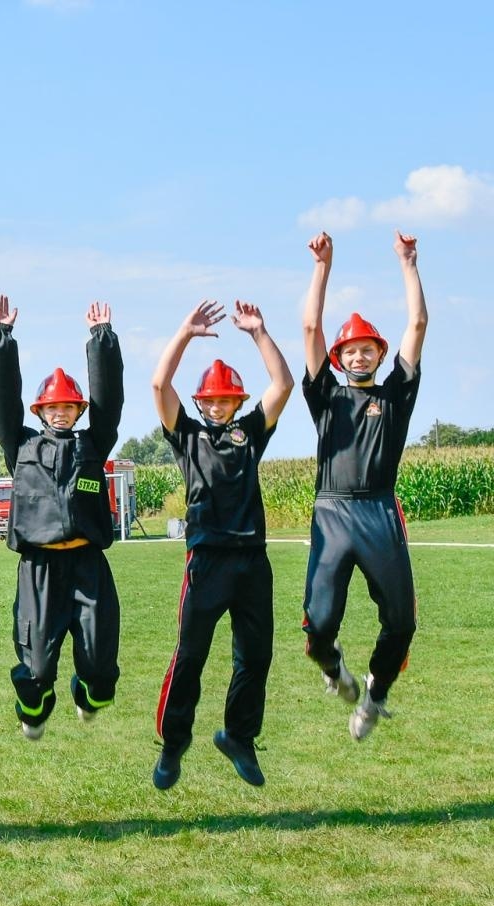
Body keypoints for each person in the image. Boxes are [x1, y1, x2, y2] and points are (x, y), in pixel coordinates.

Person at [150, 300, 294, 789]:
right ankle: (173, 743)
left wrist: (259, 332)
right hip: (206, 561)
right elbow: (158, 385)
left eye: (225, 400)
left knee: (256, 657)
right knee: (191, 655)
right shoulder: (186, 435)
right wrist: (186, 333)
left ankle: (239, 736)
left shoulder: (249, 433)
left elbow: (283, 386)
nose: (216, 406)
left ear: (236, 402)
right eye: (209, 400)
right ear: (199, 403)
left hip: (253, 561)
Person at [300, 231, 426, 740]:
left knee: (402, 620)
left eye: (366, 348)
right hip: (331, 514)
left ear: (379, 352)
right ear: (338, 358)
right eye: (348, 350)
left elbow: (416, 323)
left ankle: (374, 695)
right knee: (319, 626)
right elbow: (310, 325)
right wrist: (322, 266)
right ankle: (335, 671)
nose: (357, 356)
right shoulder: (326, 396)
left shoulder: (395, 397)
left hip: (378, 513)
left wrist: (408, 262)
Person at [0, 295, 124, 740]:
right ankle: (34, 710)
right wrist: (1, 338)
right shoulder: (20, 446)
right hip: (39, 569)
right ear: (40, 412)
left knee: (101, 670)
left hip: (88, 566)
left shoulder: (92, 445)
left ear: (77, 411)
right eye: (52, 408)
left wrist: (101, 340)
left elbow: (110, 399)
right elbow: (2, 399)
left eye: (68, 407)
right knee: (36, 666)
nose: (60, 413)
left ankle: (87, 694)